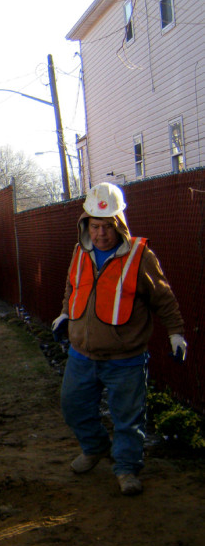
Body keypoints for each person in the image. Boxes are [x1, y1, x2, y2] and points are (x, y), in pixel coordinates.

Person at [52, 183, 187, 496]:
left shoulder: (140, 256)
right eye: (95, 226)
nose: (101, 234)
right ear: (86, 224)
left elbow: (163, 298)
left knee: (128, 418)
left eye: (108, 226)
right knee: (73, 407)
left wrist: (175, 332)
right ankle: (95, 446)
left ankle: (126, 469)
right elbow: (72, 288)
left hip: (125, 359)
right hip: (82, 354)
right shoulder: (79, 252)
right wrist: (64, 314)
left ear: (120, 224)